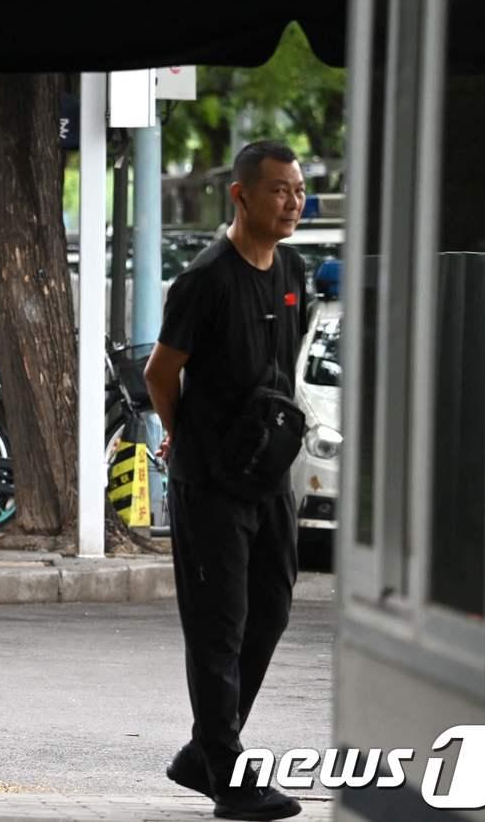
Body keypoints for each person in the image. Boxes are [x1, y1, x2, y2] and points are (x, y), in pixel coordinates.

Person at [143, 140, 311, 822]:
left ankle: (202, 753)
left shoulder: (293, 268)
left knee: (269, 612)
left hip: (269, 476)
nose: (293, 202)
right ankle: (230, 775)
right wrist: (182, 433)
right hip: (209, 482)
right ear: (241, 195)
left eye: (299, 190)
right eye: (279, 190)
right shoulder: (205, 281)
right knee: (219, 627)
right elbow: (160, 372)